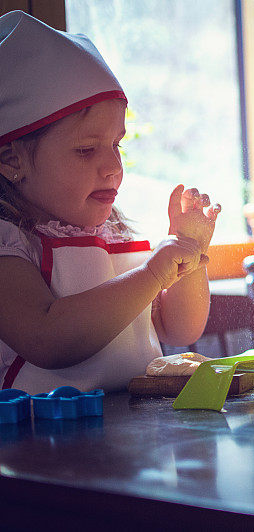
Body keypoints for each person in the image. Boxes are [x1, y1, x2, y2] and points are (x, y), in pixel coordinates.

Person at [0, 11, 220, 394]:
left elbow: (180, 329)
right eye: (86, 150)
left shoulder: (112, 233)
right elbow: (48, 338)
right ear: (12, 160)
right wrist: (152, 274)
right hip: (41, 443)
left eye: (116, 144)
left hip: (132, 431)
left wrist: (189, 254)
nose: (113, 167)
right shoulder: (9, 244)